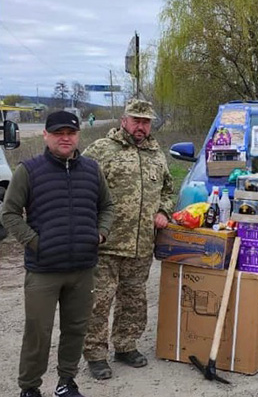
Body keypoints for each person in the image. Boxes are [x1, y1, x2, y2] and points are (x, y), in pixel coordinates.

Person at [2, 111, 114, 397]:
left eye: (71, 133)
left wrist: (100, 233)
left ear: (78, 136)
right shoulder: (29, 170)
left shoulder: (92, 170)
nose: (65, 138)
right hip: (43, 270)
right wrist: (35, 242)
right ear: (46, 135)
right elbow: (9, 213)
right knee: (38, 332)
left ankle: (67, 382)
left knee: (76, 329)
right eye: (58, 133)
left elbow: (107, 207)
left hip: (82, 268)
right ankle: (30, 387)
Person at [82, 99, 174, 380]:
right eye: (136, 120)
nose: (141, 126)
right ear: (124, 120)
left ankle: (125, 345)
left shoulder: (156, 154)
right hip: (106, 243)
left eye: (146, 122)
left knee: (134, 299)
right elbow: (81, 188)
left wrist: (163, 211)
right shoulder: (101, 150)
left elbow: (168, 190)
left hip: (141, 244)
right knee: (99, 301)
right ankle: (96, 354)